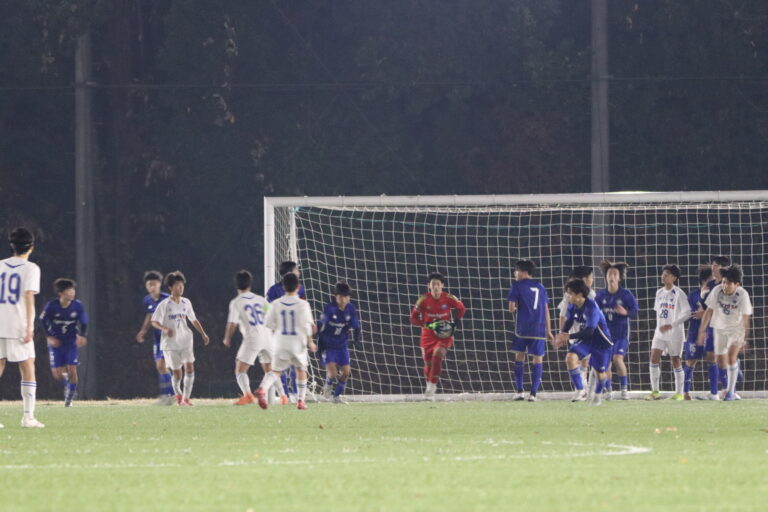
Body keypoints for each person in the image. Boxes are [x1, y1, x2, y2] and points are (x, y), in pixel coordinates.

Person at [0, 227, 44, 428]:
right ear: (31, 247)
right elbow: (28, 295)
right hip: (18, 325)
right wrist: (29, 327)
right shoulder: (31, 268)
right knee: (28, 366)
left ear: (12, 245)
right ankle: (28, 417)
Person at [223, 270, 287, 405]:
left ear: (236, 285)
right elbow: (272, 315)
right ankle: (283, 396)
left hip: (253, 337)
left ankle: (248, 395)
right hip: (268, 336)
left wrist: (227, 338)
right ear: (250, 284)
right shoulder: (260, 299)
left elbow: (232, 323)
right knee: (272, 369)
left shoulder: (236, 302)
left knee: (240, 369)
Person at [255, 273, 316, 410]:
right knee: (301, 369)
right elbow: (308, 326)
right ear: (298, 287)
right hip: (297, 343)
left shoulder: (275, 304)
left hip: (280, 342)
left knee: (276, 371)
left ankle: (262, 389)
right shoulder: (303, 304)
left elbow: (268, 324)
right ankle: (300, 401)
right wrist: (310, 342)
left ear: (283, 287)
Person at [151, 271, 210, 406]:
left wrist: (203, 333)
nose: (181, 287)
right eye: (178, 285)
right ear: (170, 287)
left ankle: (186, 399)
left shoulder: (186, 302)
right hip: (170, 344)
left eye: (182, 285)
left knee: (190, 368)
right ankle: (179, 395)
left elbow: (193, 319)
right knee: (177, 374)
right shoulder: (165, 304)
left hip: (186, 340)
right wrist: (165, 329)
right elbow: (154, 321)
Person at [554, 279, 614, 406]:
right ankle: (580, 390)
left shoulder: (591, 307)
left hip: (601, 342)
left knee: (600, 373)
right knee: (570, 357)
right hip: (587, 340)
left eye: (570, 293)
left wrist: (569, 336)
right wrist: (561, 334)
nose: (567, 296)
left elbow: (590, 330)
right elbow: (569, 321)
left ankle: (597, 396)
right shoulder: (572, 306)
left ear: (579, 294)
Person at [698, 265, 752, 401]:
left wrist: (744, 337)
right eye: (723, 282)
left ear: (736, 284)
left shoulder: (743, 294)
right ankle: (734, 369)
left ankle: (730, 392)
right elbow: (709, 311)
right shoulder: (717, 290)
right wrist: (702, 331)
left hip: (736, 329)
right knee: (721, 362)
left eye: (728, 283)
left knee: (731, 357)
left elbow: (746, 318)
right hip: (719, 329)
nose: (724, 285)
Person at [409, 272, 466, 400]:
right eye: (433, 284)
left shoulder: (449, 298)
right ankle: (429, 386)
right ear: (429, 285)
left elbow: (461, 309)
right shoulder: (423, 300)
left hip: (444, 334)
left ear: (442, 285)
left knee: (438, 356)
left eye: (438, 284)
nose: (435, 286)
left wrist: (455, 323)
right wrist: (427, 325)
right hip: (427, 336)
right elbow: (413, 318)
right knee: (428, 363)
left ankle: (431, 387)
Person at [507, 260, 553, 402]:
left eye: (516, 270)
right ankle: (533, 394)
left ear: (524, 272)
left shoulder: (516, 285)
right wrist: (549, 331)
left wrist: (517, 307)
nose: (514, 273)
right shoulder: (541, 287)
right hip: (539, 328)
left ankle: (520, 391)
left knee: (519, 357)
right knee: (537, 359)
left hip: (523, 328)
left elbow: (511, 308)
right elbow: (546, 310)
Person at [39, 278, 89, 407]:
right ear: (60, 293)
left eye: (73, 290)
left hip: (71, 342)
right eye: (69, 290)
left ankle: (70, 397)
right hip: (56, 343)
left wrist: (82, 336)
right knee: (57, 374)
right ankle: (67, 384)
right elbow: (42, 320)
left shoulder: (77, 305)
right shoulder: (52, 306)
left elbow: (84, 321)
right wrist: (49, 337)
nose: (72, 293)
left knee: (72, 368)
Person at [646, 264, 691, 401]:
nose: (663, 276)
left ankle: (679, 393)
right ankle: (655, 392)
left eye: (666, 274)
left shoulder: (679, 293)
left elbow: (688, 313)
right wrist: (660, 327)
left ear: (674, 278)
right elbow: (658, 312)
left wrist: (671, 325)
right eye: (663, 274)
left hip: (675, 333)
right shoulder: (659, 292)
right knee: (653, 358)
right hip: (660, 333)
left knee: (676, 360)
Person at [266, 261, 308, 402]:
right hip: (280, 334)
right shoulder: (273, 291)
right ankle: (284, 395)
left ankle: (295, 394)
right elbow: (267, 308)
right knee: (282, 366)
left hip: (294, 334)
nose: (299, 272)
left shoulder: (300, 289)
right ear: (290, 272)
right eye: (297, 270)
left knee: (294, 365)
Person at [595, 260, 638, 400]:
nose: (612, 277)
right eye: (609, 274)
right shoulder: (600, 296)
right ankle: (609, 391)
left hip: (621, 334)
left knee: (617, 359)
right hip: (605, 335)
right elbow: (593, 313)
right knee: (606, 363)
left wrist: (625, 312)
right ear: (606, 277)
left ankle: (624, 390)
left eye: (615, 274)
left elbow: (635, 312)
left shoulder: (626, 294)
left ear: (619, 278)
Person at [318, 282, 362, 404]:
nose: (343, 299)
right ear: (335, 296)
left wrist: (357, 340)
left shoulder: (350, 309)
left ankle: (336, 397)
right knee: (333, 374)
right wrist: (319, 343)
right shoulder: (330, 308)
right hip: (328, 345)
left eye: (346, 296)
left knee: (346, 373)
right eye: (341, 296)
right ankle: (328, 384)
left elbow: (356, 327)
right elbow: (321, 325)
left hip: (342, 346)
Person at [135, 270, 175, 405]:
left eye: (154, 284)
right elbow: (149, 316)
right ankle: (169, 394)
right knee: (160, 367)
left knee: (163, 365)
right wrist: (143, 330)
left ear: (159, 284)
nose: (152, 287)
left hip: (169, 337)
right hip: (157, 338)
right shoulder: (147, 300)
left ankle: (170, 394)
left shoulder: (167, 299)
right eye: (149, 284)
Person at [557, 266, 596, 396]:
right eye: (591, 277)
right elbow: (563, 315)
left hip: (587, 333)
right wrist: (562, 333)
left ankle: (583, 387)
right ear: (584, 279)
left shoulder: (592, 295)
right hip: (575, 331)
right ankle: (582, 387)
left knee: (583, 360)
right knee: (578, 359)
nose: (592, 280)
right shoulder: (570, 295)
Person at [700, 256, 732, 393]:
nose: (713, 268)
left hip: (726, 326)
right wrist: (702, 295)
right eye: (712, 265)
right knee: (710, 357)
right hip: (712, 325)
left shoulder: (730, 284)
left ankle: (729, 389)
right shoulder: (710, 285)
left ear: (723, 268)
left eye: (716, 265)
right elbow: (706, 307)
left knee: (723, 358)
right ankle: (714, 392)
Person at [683, 267, 715, 400]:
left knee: (713, 360)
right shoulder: (693, 295)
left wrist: (705, 313)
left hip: (711, 332)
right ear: (704, 280)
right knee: (691, 361)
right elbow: (692, 314)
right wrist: (704, 313)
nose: (714, 281)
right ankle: (685, 392)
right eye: (712, 279)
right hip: (695, 333)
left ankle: (715, 392)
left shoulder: (715, 293)